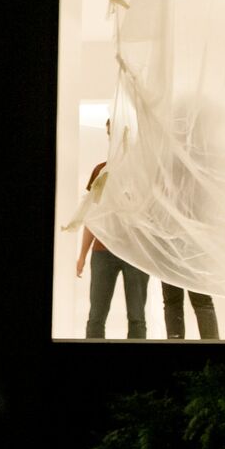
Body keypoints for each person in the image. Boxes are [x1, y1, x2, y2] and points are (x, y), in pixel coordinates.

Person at [75, 121, 148, 339]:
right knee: (96, 315)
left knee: (137, 316)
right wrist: (82, 255)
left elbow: (152, 215)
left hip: (135, 252)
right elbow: (92, 215)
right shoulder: (101, 171)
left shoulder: (143, 172)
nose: (112, 139)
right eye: (109, 134)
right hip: (103, 250)